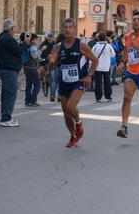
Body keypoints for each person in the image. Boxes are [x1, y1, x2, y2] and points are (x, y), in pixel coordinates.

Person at [48, 17, 99, 148]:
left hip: (78, 82)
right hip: (64, 82)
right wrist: (51, 62)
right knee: (66, 113)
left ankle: (79, 123)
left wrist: (89, 75)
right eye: (65, 27)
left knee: (70, 107)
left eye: (70, 27)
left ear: (74, 29)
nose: (68, 30)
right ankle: (73, 136)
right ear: (62, 29)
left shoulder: (81, 45)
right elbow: (51, 68)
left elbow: (95, 60)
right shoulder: (59, 47)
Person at [0, 18, 30, 127]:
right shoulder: (7, 39)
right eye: (14, 27)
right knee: (10, 94)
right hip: (9, 69)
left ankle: (5, 116)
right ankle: (6, 117)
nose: (15, 29)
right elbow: (18, 51)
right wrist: (25, 43)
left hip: (4, 68)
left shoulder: (2, 37)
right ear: (10, 28)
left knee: (6, 94)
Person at [91, 31, 115, 102]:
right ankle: (108, 96)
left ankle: (98, 97)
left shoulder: (95, 47)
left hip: (97, 67)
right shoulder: (109, 46)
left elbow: (92, 56)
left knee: (98, 82)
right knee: (107, 82)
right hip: (106, 66)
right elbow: (113, 54)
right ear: (105, 37)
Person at [23, 33, 42, 107]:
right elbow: (34, 56)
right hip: (32, 67)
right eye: (36, 39)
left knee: (29, 85)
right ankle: (33, 100)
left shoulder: (28, 46)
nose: (37, 41)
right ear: (33, 39)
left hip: (26, 66)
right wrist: (41, 50)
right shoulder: (32, 47)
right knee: (37, 84)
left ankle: (27, 100)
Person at [49, 33, 65, 102]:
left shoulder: (55, 45)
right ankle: (59, 96)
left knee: (55, 81)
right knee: (61, 81)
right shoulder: (65, 45)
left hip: (56, 64)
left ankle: (52, 95)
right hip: (63, 64)